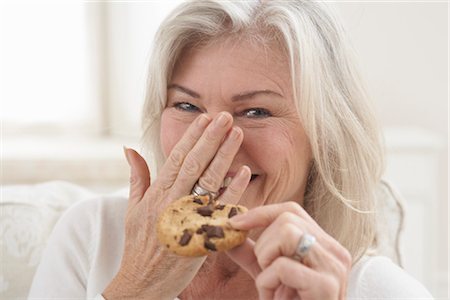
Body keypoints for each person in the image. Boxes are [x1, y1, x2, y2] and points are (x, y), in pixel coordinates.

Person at [29, 0, 434, 299]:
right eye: (186, 105)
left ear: (326, 137)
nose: (214, 142)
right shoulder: (90, 236)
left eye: (256, 111)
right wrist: (138, 286)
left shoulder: (383, 291)